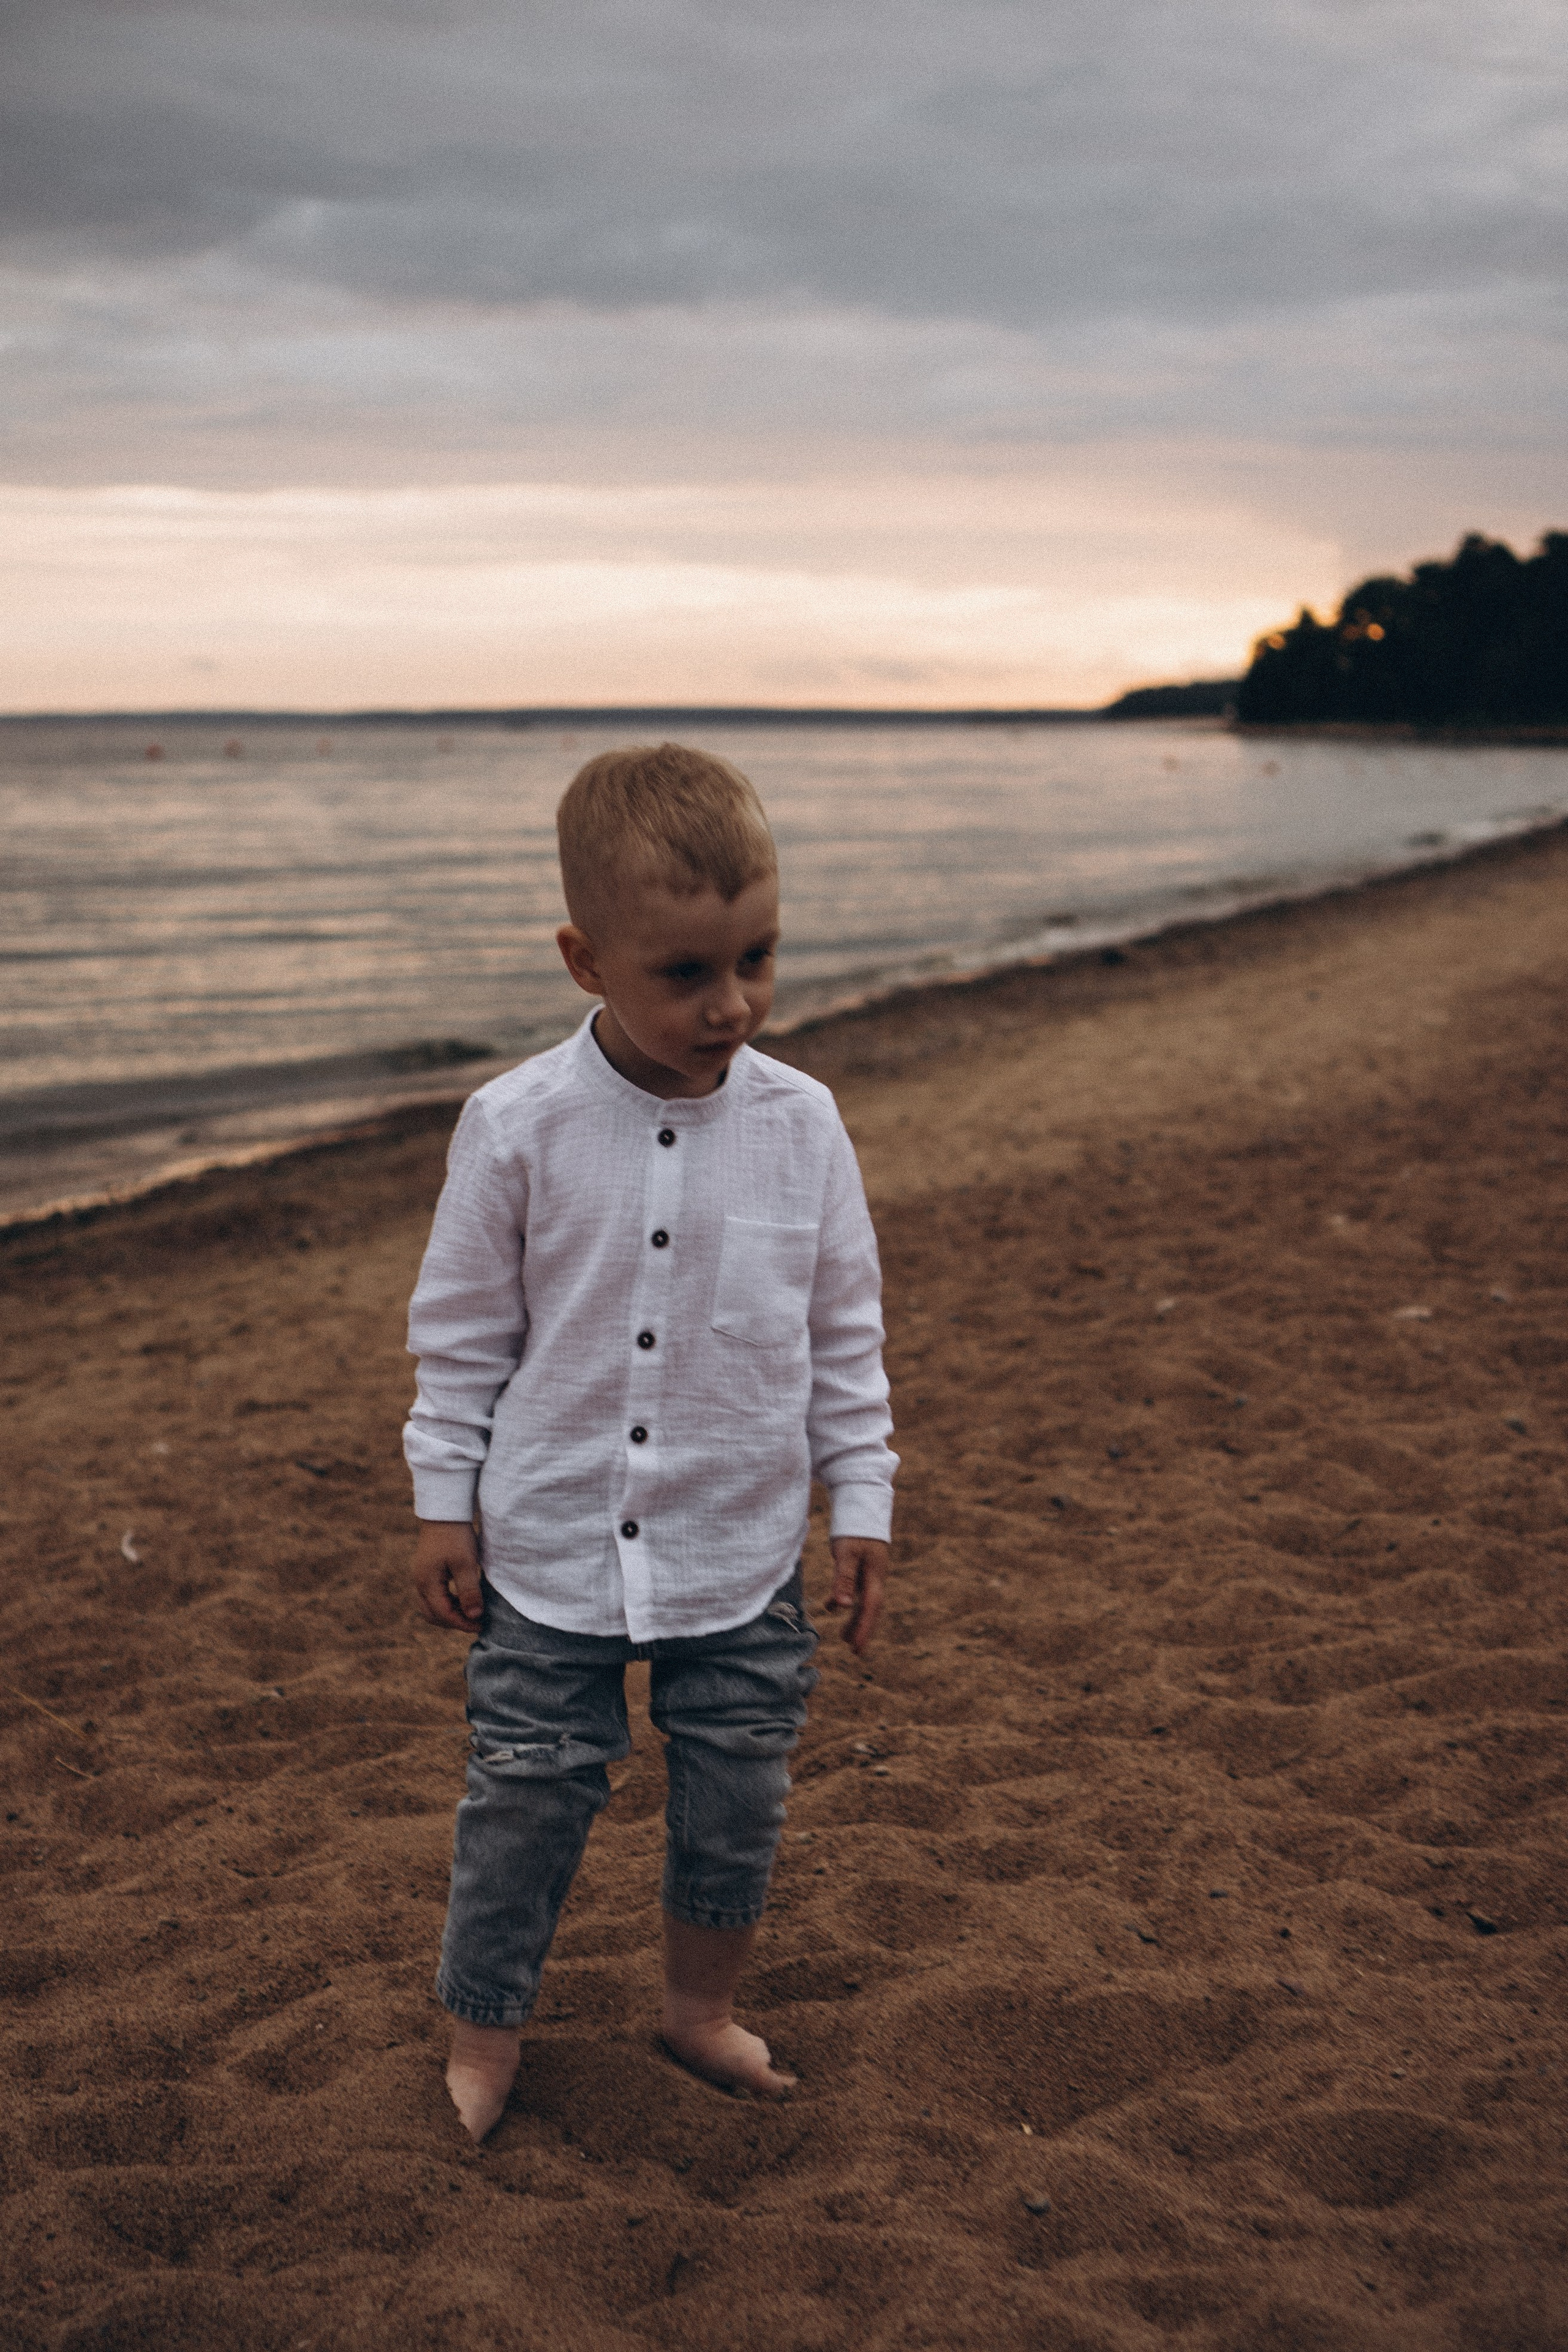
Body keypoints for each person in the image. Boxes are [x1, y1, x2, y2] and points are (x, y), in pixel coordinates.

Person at [404, 742, 897, 2141]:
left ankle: (695, 2013)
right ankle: (485, 2039)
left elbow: (842, 1340)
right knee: (526, 1799)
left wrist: (858, 1501)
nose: (731, 1003)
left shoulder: (804, 1128)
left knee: (735, 1798)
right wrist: (445, 1505)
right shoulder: (514, 1129)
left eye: (758, 959)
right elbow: (460, 1337)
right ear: (583, 957)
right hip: (548, 1544)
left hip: (740, 1551)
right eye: (685, 972)